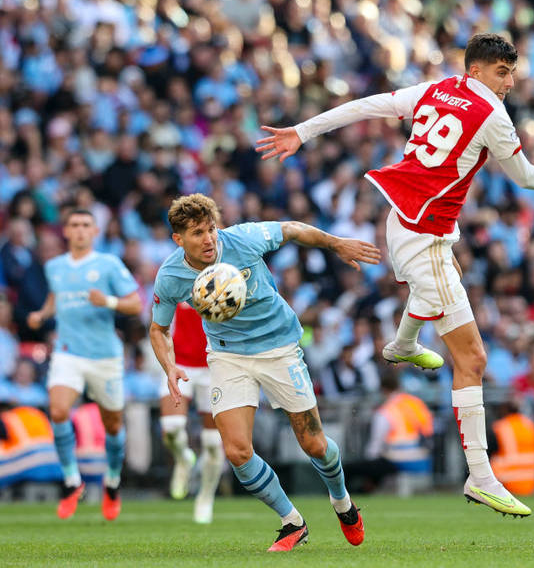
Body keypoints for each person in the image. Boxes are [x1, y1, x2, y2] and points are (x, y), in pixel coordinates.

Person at [257, 32, 534, 517]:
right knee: (472, 358)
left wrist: (302, 132)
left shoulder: (435, 89)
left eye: (513, 72)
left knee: (449, 312)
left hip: (410, 224)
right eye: (501, 72)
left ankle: (405, 344)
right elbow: (525, 178)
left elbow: (366, 105)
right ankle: (481, 476)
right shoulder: (492, 115)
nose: (510, 82)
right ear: (476, 71)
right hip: (424, 234)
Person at [149, 194, 380, 552]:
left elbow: (292, 229)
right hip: (228, 356)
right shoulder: (171, 276)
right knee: (237, 451)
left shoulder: (243, 238)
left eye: (210, 229)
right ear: (179, 239)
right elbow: (158, 328)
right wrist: (169, 365)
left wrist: (336, 244)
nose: (208, 239)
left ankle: (342, 502)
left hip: (279, 349)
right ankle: (292, 522)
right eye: (197, 233)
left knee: (314, 444)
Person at [27, 208, 142, 521]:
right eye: (74, 225)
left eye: (85, 225)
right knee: (59, 410)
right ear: (65, 231)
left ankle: (113, 481)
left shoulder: (108, 264)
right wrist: (42, 314)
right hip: (68, 352)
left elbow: (136, 303)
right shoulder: (54, 266)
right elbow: (57, 298)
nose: (79, 230)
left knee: (113, 425)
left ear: (95, 232)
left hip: (104, 356)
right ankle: (71, 481)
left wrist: (107, 301)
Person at [158, 302, 223, 524]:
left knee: (213, 442)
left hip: (213, 364)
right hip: (179, 362)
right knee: (171, 427)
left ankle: (205, 496)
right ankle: (183, 458)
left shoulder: (223, 276)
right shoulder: (176, 274)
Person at [487, 401, 534, 497]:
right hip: (531, 481)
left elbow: (489, 451)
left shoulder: (501, 426)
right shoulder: (530, 425)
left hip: (507, 481)